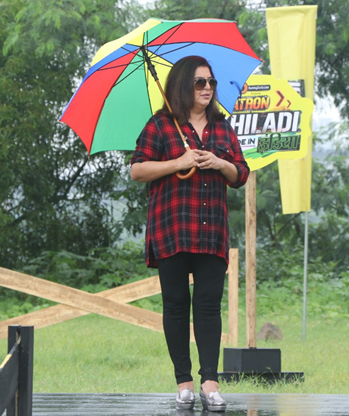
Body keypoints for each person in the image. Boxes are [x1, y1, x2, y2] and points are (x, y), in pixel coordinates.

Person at [130, 55, 249, 412]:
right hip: (172, 228)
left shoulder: (222, 126)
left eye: (211, 82)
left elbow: (240, 174)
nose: (207, 88)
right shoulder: (161, 125)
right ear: (184, 86)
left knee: (209, 305)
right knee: (176, 304)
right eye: (200, 82)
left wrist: (220, 163)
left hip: (212, 231)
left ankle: (210, 384)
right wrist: (177, 163)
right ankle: (183, 383)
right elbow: (137, 170)